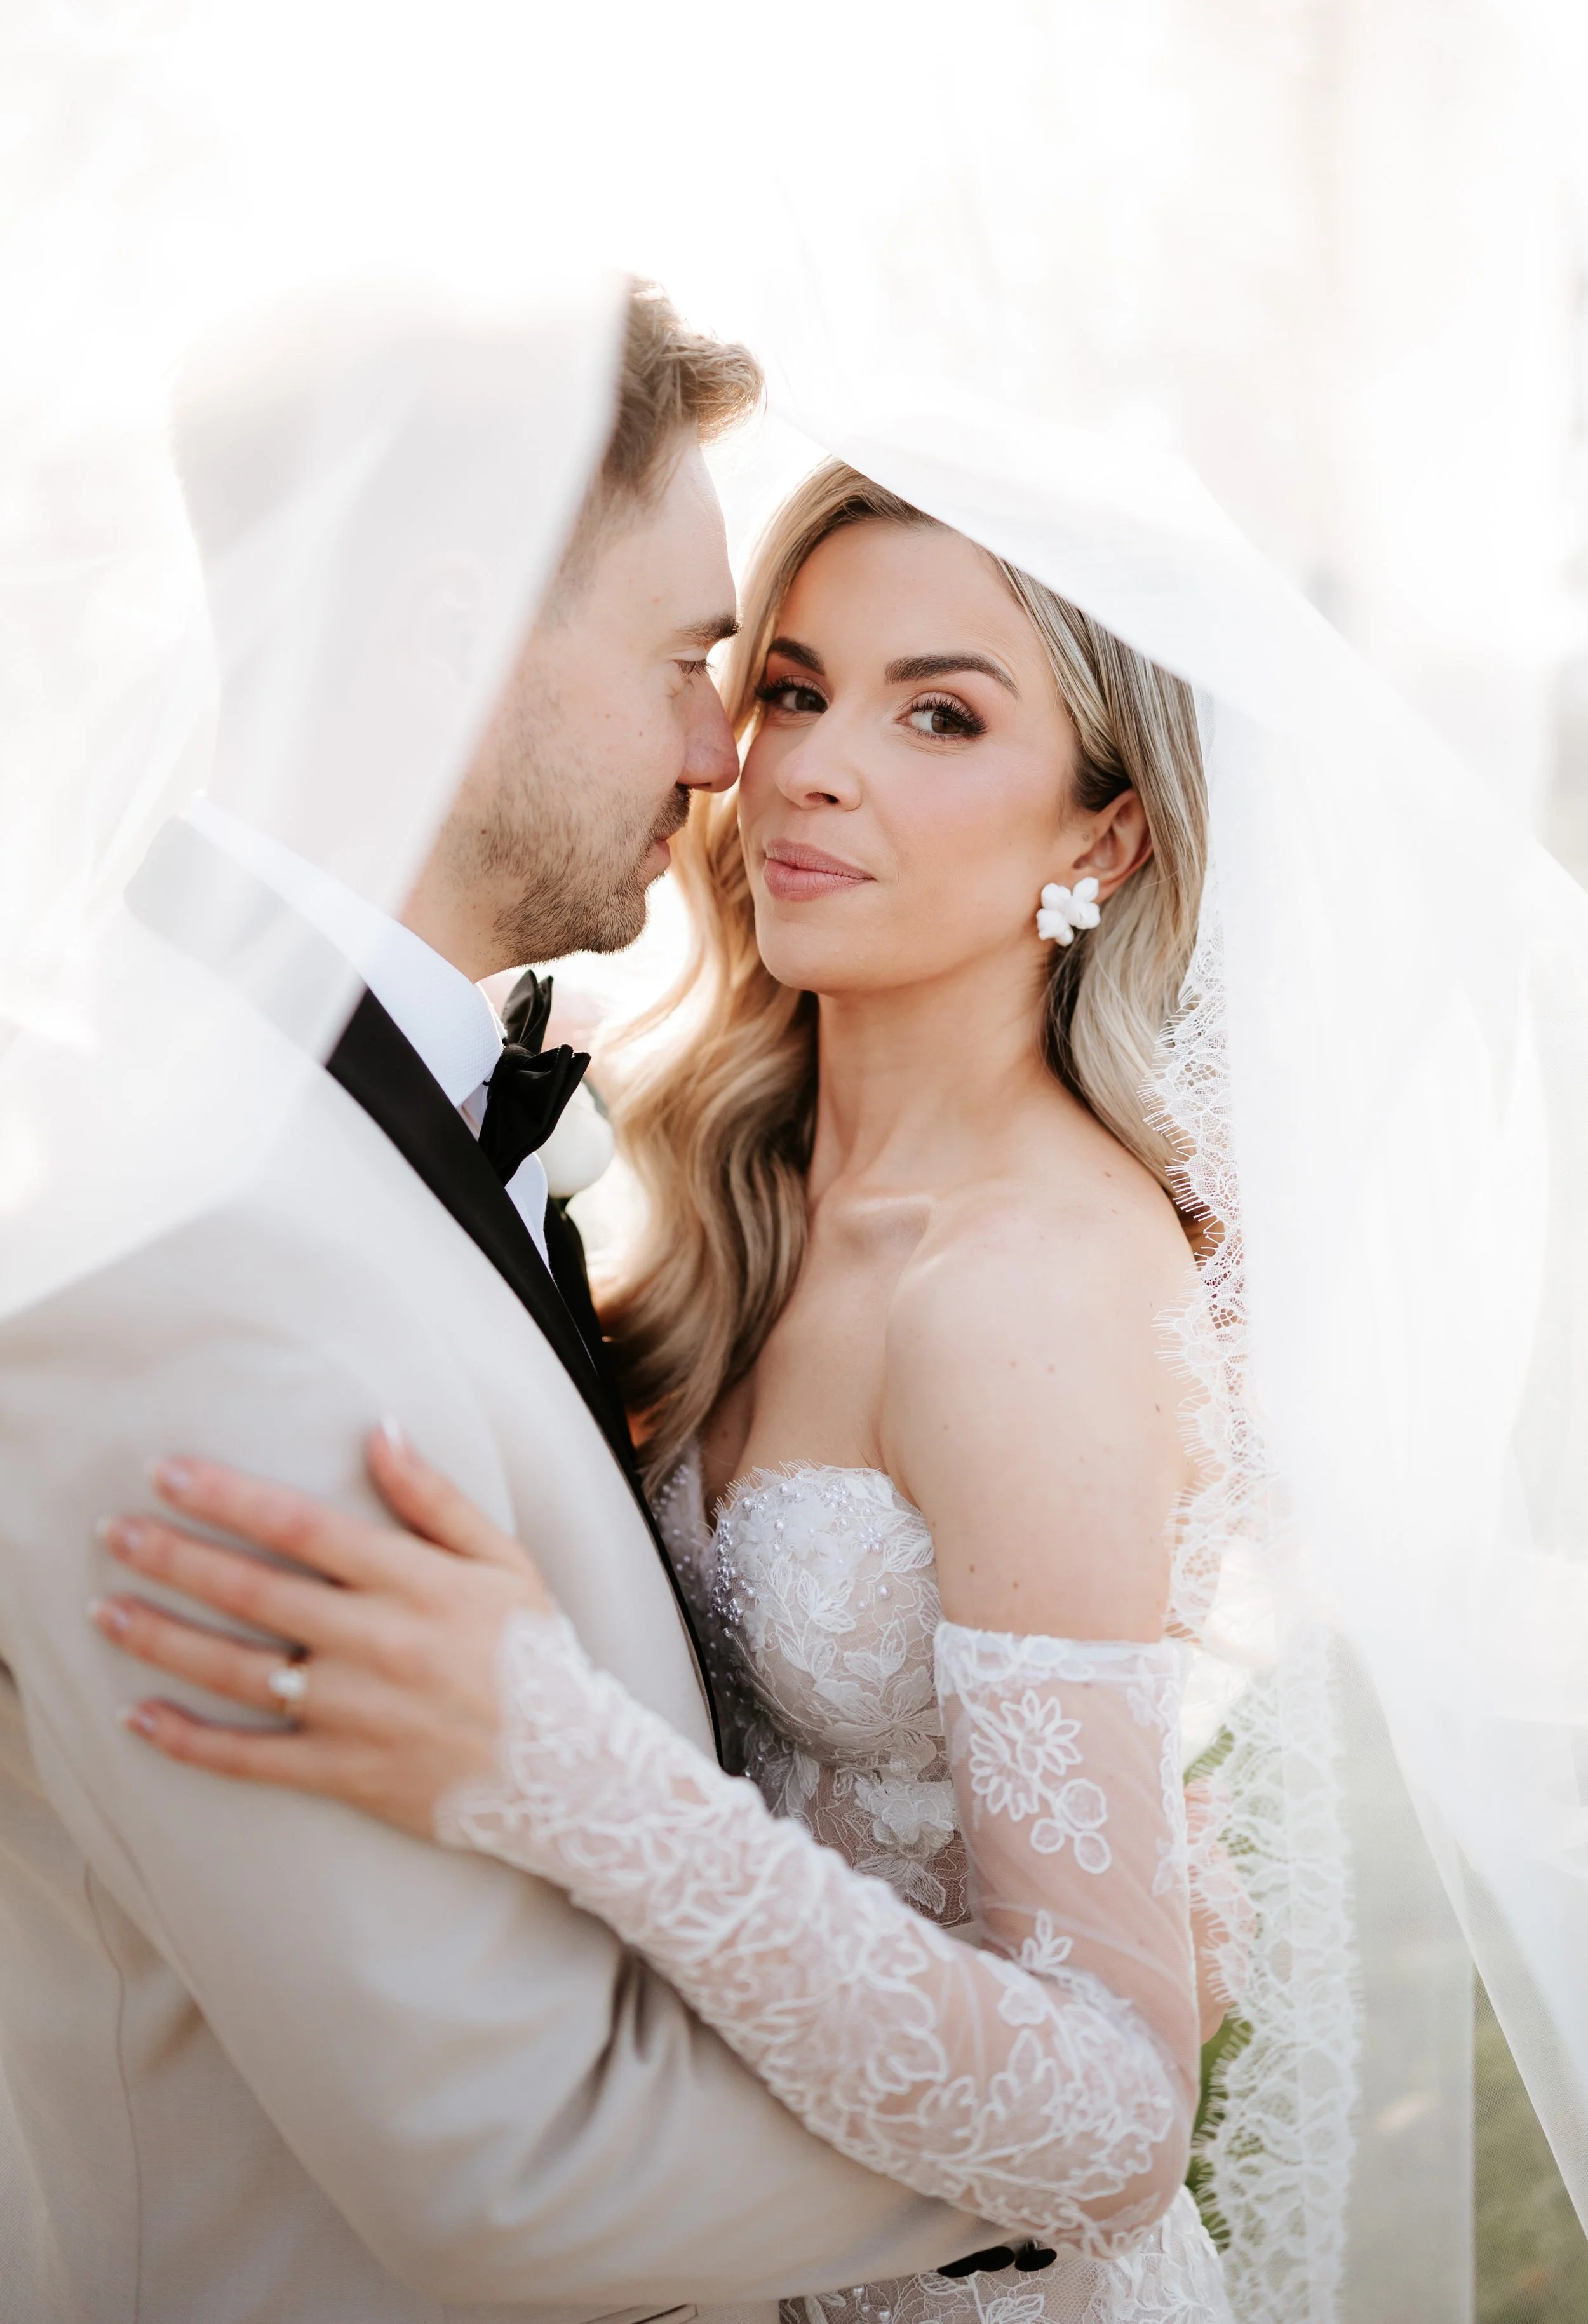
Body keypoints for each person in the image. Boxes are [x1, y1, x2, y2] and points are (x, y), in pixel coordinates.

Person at [89, 461, 1246, 2322]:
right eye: (787, 685)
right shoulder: (735, 1188)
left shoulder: (1032, 1290)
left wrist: (547, 1756)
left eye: (936, 712)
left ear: (1100, 836)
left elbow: (1115, 2124)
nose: (802, 766)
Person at [0, 288, 1021, 2324]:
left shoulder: (324, 1095)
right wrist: (1042, 2112)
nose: (727, 754)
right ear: (452, 635)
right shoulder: (187, 1252)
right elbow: (514, 2167)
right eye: (688, 660)